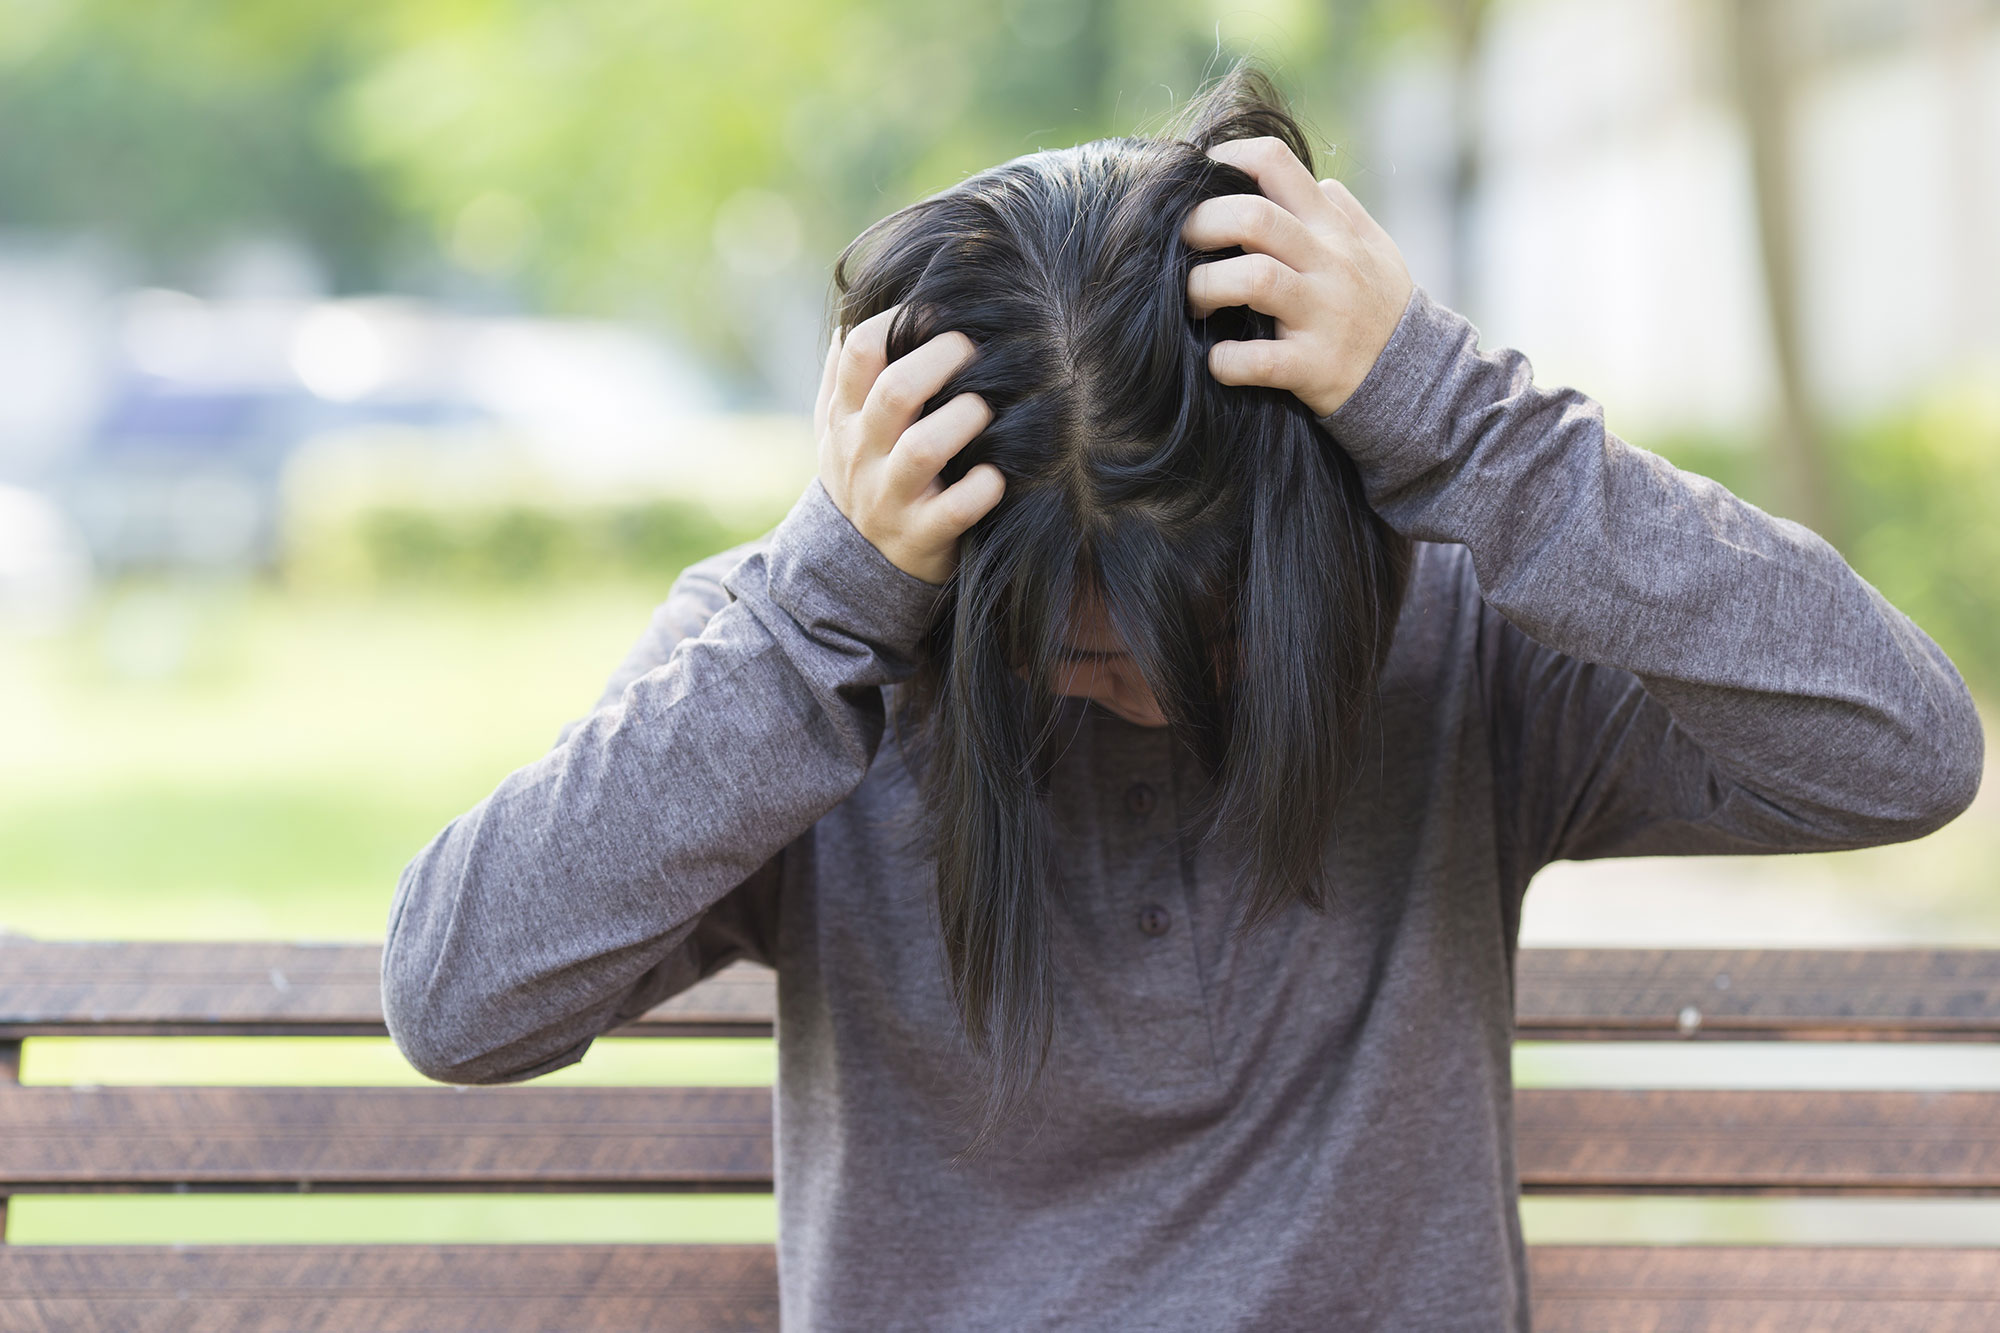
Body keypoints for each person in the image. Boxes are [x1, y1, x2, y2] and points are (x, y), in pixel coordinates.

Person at [381, 59, 1985, 1331]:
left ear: (1299, 538)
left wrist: (1462, 418)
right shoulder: (810, 663)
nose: (1143, 680)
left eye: (1204, 622)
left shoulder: (1446, 634)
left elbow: (1901, 750)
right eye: (1071, 643)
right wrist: (820, 612)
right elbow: (458, 996)